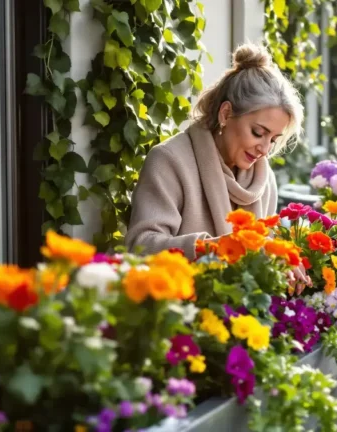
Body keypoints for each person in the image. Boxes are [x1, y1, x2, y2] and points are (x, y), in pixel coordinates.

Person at [126, 42, 310, 289]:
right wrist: (225, 248)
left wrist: (283, 264)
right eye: (258, 133)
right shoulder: (169, 161)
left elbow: (262, 256)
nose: (265, 149)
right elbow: (141, 247)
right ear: (225, 114)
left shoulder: (264, 180)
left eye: (273, 139)